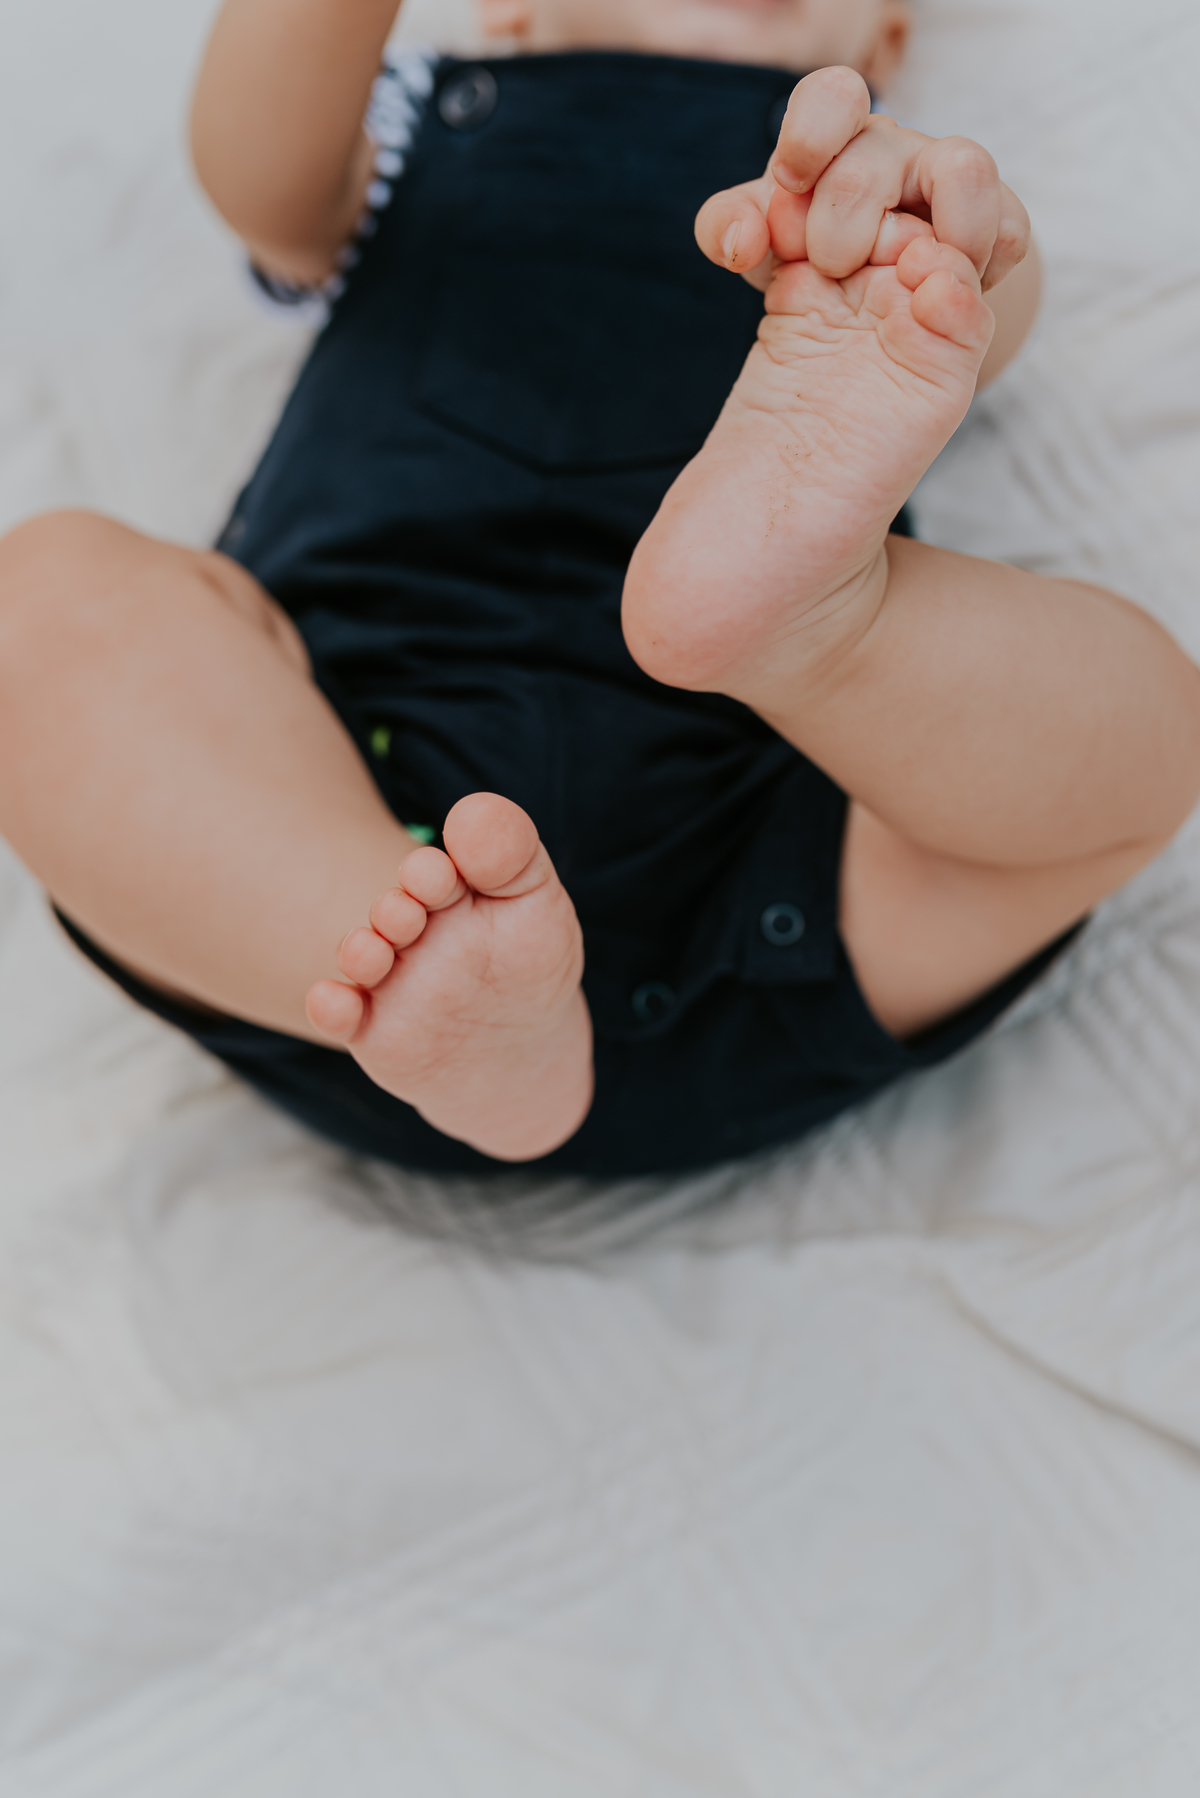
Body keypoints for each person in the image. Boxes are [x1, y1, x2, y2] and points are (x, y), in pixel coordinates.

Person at [0, 0, 1196, 1180]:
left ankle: (816, 627)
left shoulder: (869, 173)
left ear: (883, 41)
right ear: (510, 8)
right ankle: (425, 961)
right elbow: (259, 180)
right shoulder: (410, 123)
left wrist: (935, 255)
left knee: (1147, 724)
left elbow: (996, 312)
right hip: (329, 831)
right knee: (37, 599)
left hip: (787, 848)